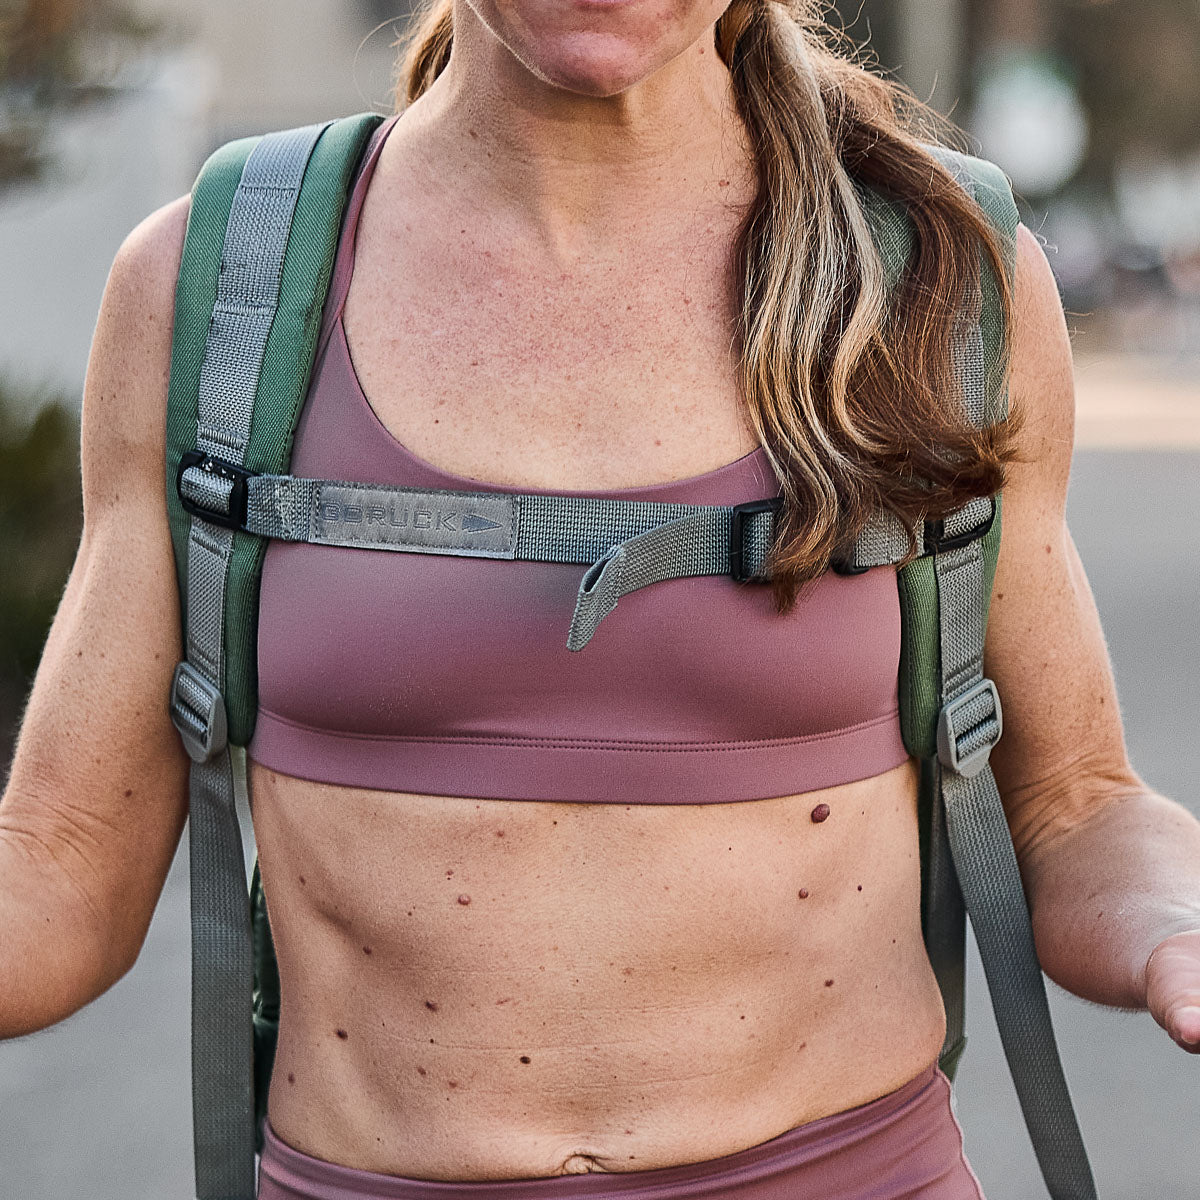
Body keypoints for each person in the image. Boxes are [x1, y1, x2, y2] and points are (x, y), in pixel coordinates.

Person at [3, 1, 1199, 1197]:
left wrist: (1172, 926)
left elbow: (1077, 807)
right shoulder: (221, 290)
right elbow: (61, 865)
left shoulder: (936, 272)